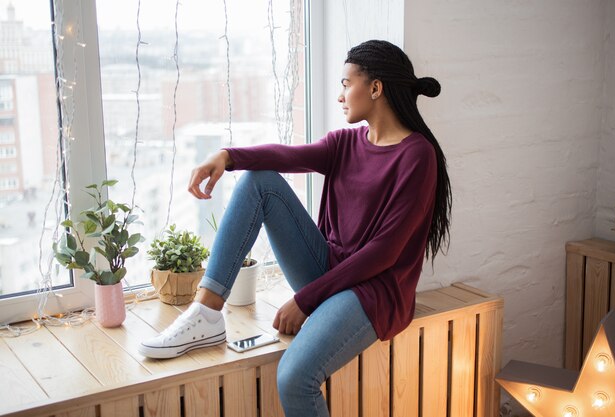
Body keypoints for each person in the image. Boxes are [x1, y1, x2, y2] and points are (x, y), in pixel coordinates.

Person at [138, 39, 451, 417]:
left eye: (345, 83)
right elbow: (286, 156)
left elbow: (384, 252)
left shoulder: (418, 156)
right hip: (331, 272)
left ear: (375, 87)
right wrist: (227, 156)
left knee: (294, 379)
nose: (340, 96)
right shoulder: (346, 143)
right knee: (259, 180)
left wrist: (305, 300)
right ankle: (205, 315)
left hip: (374, 292)